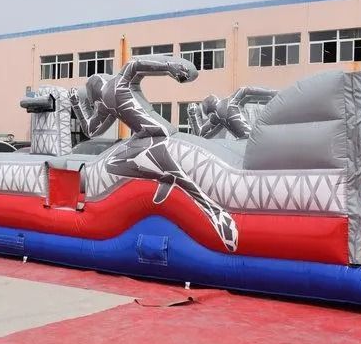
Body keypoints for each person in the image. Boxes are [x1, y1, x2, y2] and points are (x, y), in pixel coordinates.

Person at [69, 55, 238, 252]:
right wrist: (174, 67)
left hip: (155, 134)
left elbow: (91, 128)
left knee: (118, 164)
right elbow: (136, 64)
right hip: (147, 136)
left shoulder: (114, 90)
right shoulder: (112, 95)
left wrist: (77, 105)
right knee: (117, 163)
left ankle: (210, 209)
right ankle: (165, 176)